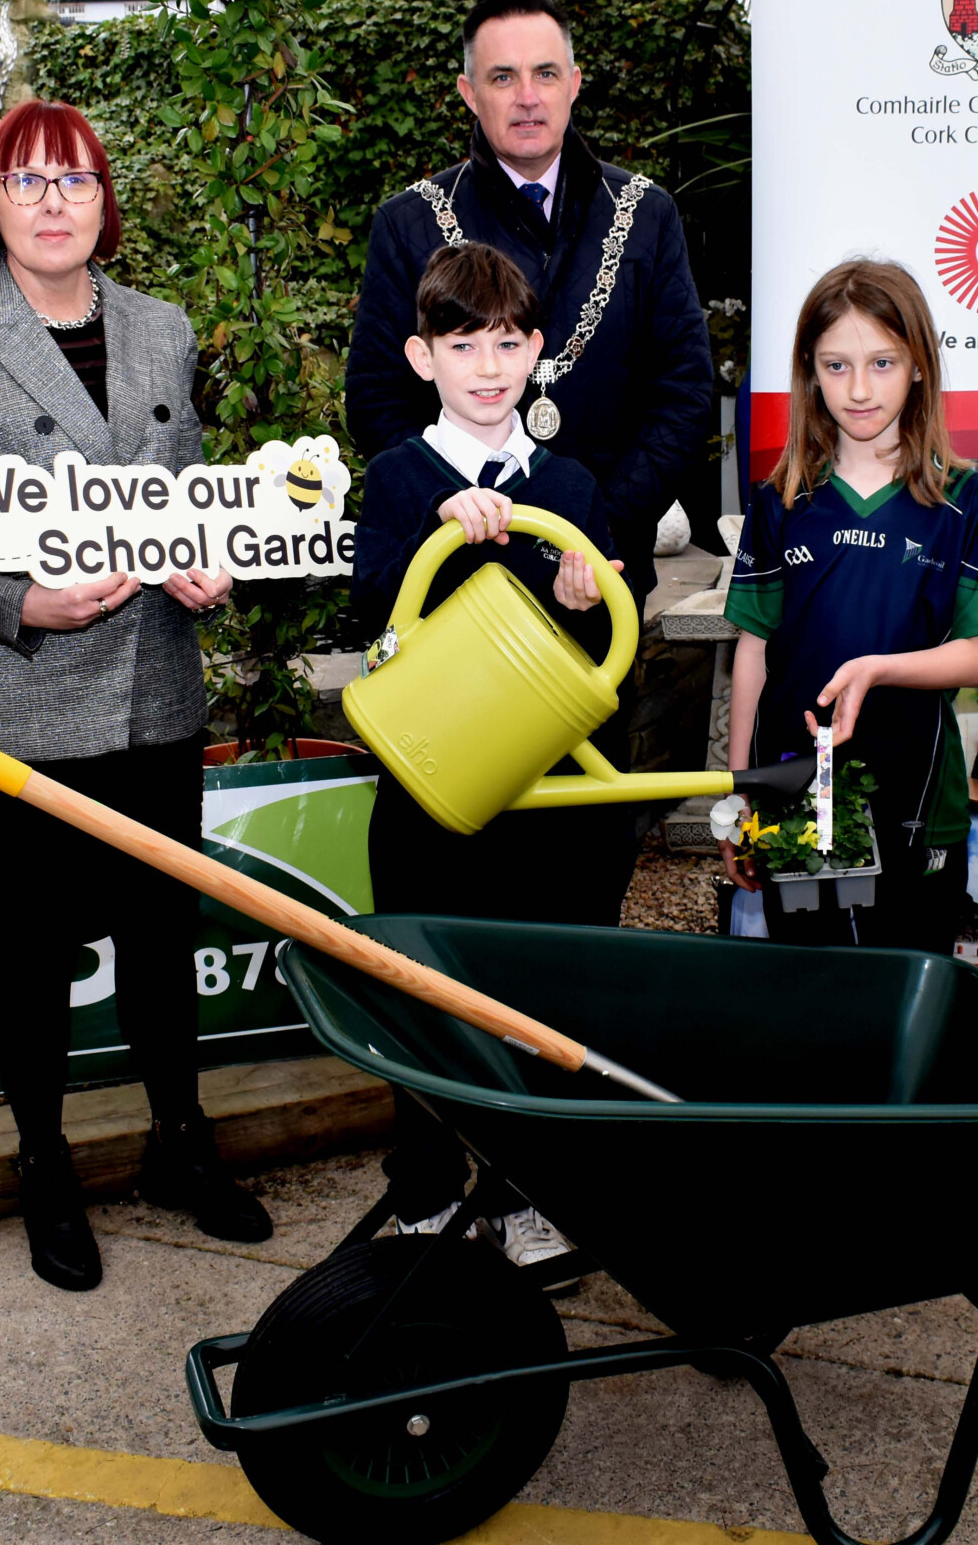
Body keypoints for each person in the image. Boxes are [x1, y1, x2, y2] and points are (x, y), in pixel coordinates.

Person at [0, 100, 272, 1294]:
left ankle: (179, 1142)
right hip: (24, 698)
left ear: (107, 200)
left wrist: (212, 559)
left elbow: (188, 485)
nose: (54, 202)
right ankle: (42, 1163)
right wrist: (15, 603)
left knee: (162, 940)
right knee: (37, 951)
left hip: (153, 686)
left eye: (76, 180)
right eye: (27, 181)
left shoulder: (162, 328)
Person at [346, 0, 715, 924]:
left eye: (545, 72)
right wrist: (452, 518)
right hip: (447, 622)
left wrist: (584, 527)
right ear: (468, 92)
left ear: (575, 82)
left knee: (577, 860)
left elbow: (682, 393)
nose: (526, 95)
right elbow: (378, 399)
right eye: (502, 76)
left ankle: (563, 1057)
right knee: (442, 871)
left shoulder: (647, 212)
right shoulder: (408, 221)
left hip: (590, 593)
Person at [352, 242, 623, 1272]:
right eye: (462, 343)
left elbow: (604, 662)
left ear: (537, 350)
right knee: (422, 983)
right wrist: (441, 527)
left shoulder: (570, 484)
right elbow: (374, 607)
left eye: (507, 341)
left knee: (538, 995)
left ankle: (524, 1194)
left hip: (548, 797)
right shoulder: (397, 478)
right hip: (430, 785)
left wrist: (579, 600)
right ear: (423, 357)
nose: (486, 364)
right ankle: (423, 1190)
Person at [717, 259, 978, 949]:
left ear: (917, 367)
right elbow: (753, 652)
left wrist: (878, 669)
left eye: (882, 362)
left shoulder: (963, 498)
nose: (859, 387)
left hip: (917, 796)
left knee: (906, 1003)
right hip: (795, 796)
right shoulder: (781, 497)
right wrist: (737, 792)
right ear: (810, 372)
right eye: (837, 365)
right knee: (813, 1001)